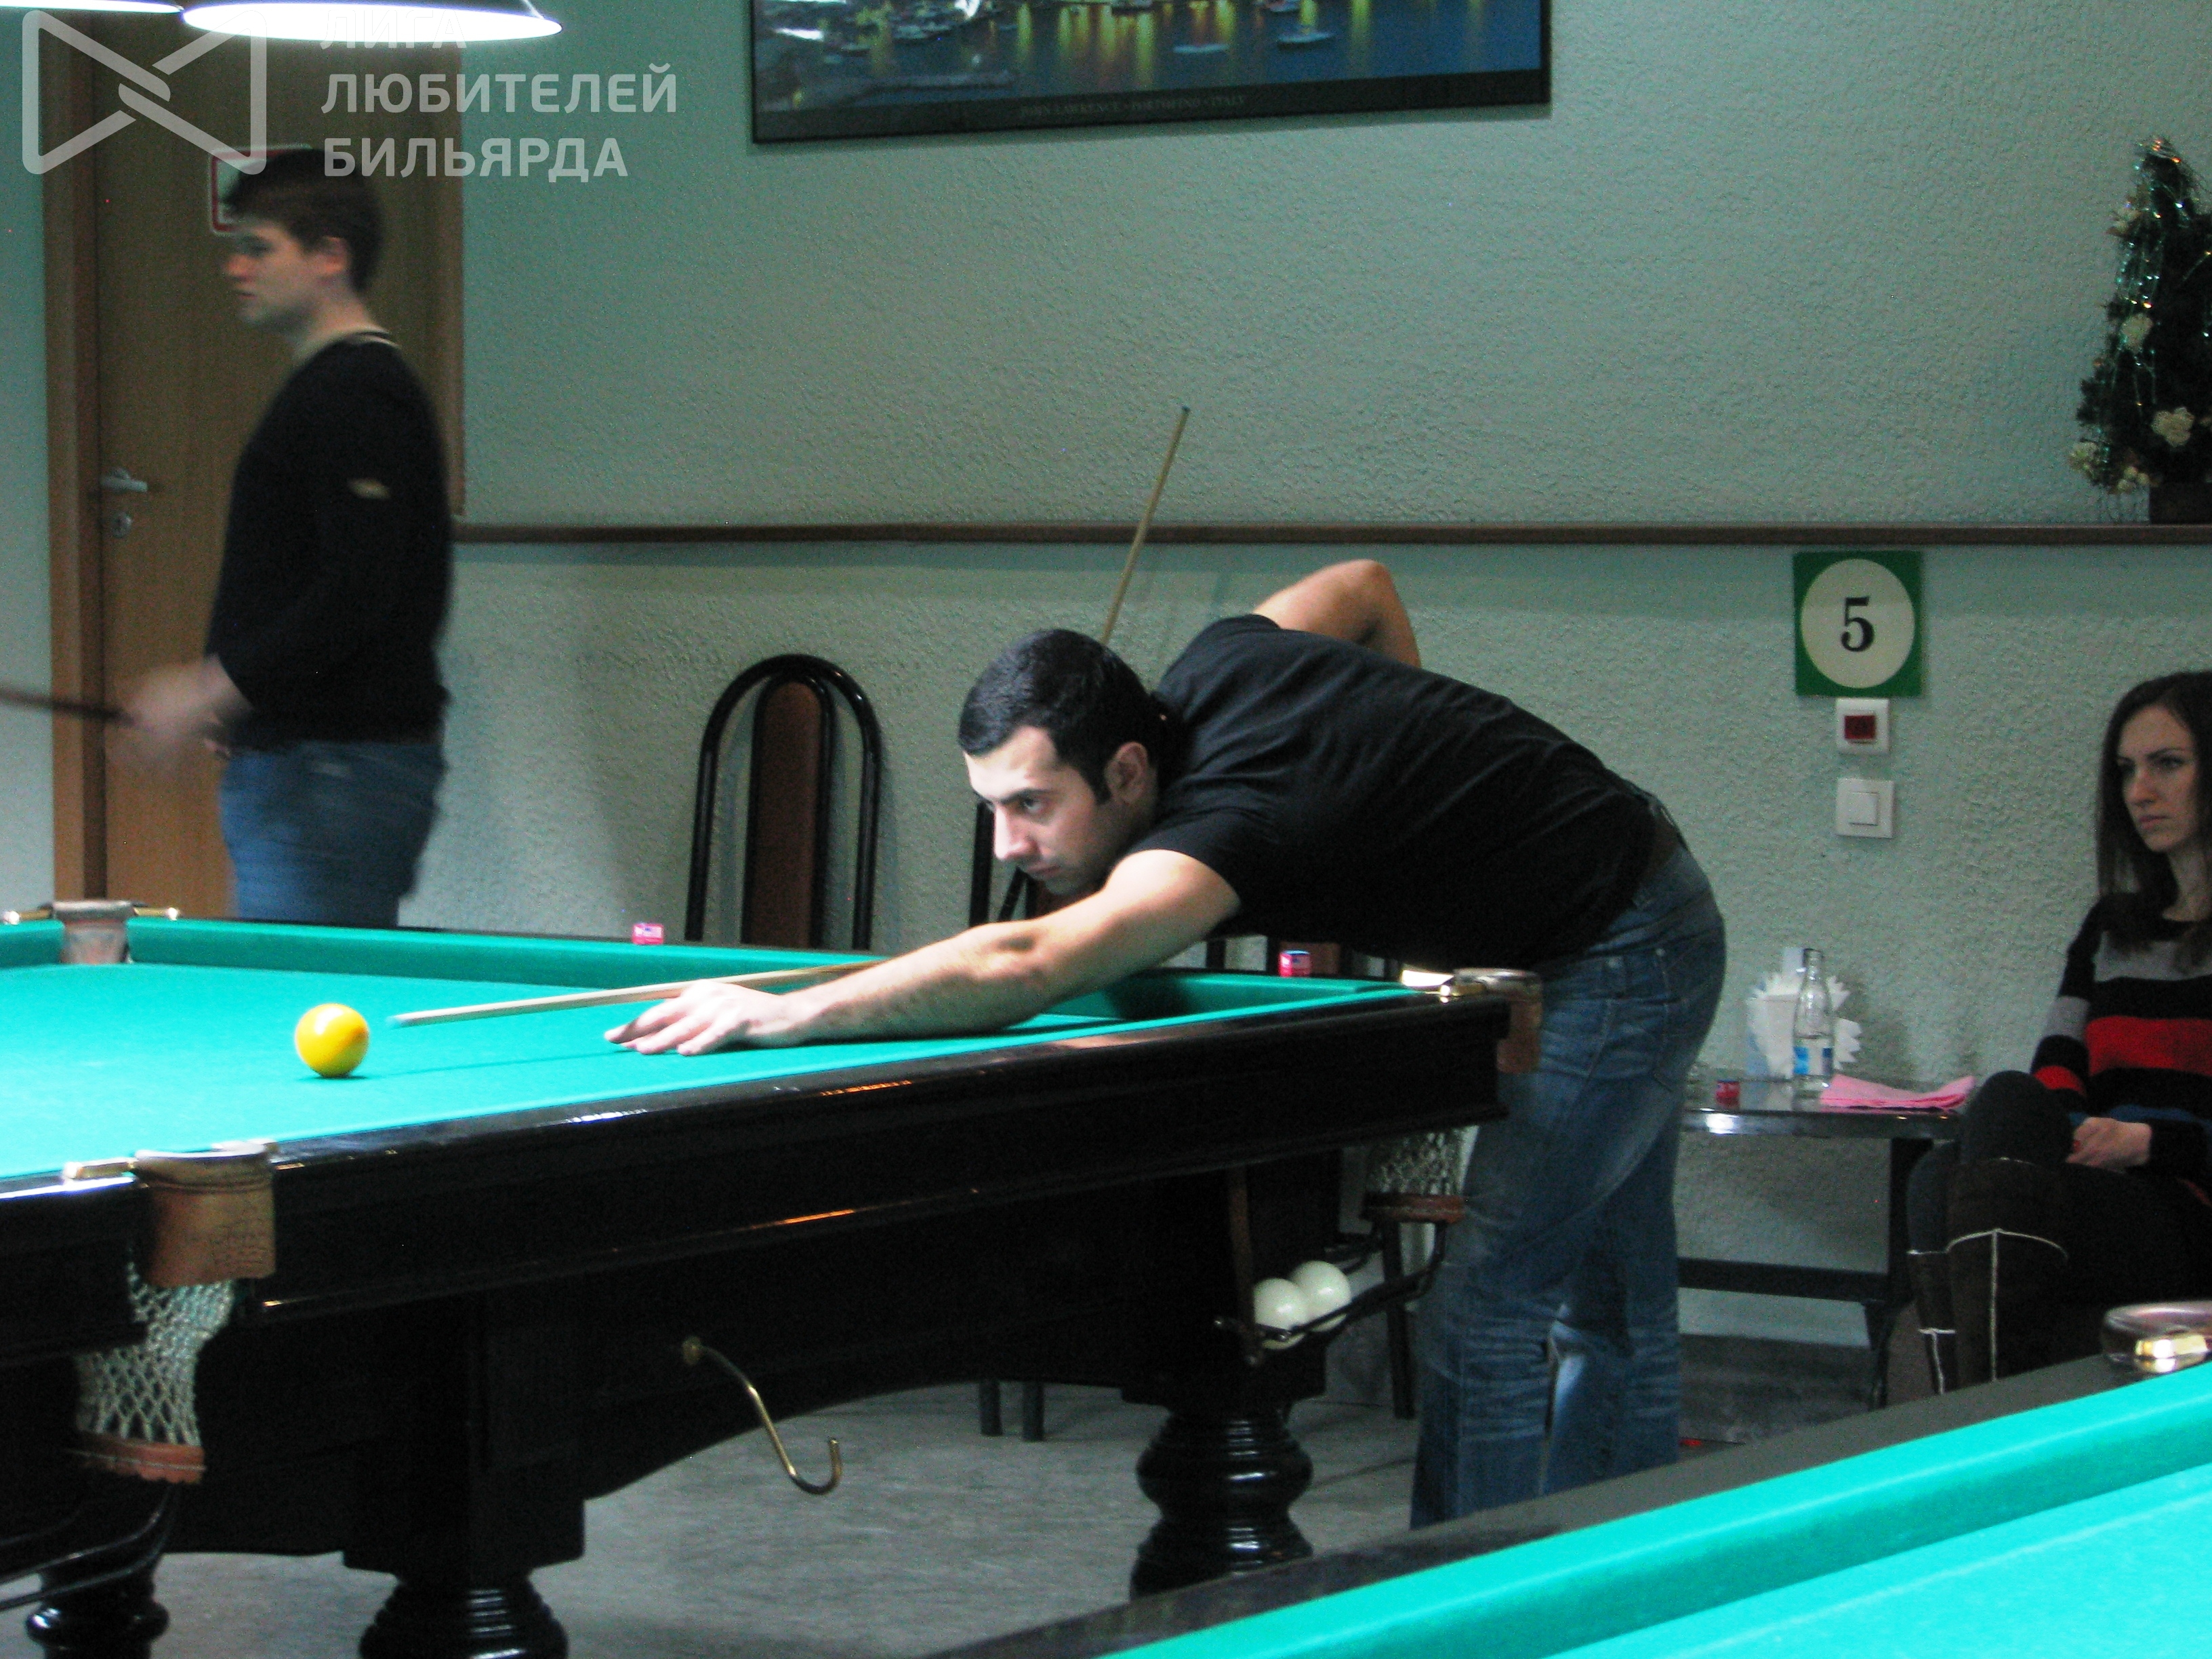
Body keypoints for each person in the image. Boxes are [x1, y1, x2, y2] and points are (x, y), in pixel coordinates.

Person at [610, 560, 1727, 1518]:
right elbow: (1363, 589)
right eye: (990, 806)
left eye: (1033, 804)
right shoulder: (1216, 660)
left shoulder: (1222, 829)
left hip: (1625, 947)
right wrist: (1406, 779)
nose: (1007, 845)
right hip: (1620, 881)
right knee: (1609, 1298)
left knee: (1487, 1308)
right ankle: (1625, 1576)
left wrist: (789, 1009)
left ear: (1129, 772)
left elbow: (1029, 961)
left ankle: (1470, 1620)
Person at [125, 150, 451, 928]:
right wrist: (243, 704)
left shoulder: (358, 392)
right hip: (314, 765)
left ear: (329, 256)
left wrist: (209, 690)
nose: (235, 267)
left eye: (258, 247)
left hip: (332, 771)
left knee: (304, 990)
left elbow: (357, 593)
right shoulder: (334, 388)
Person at [1906, 672, 2212, 1390]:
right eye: (2127, 771)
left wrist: (2149, 1142)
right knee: (1962, 1148)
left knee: (1961, 1180)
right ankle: (1984, 1407)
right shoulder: (2112, 928)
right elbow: (2057, 1073)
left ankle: (1975, 1415)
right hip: (2097, 1185)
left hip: (2191, 1206)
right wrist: (2078, 1138)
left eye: (2168, 764)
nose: (2140, 792)